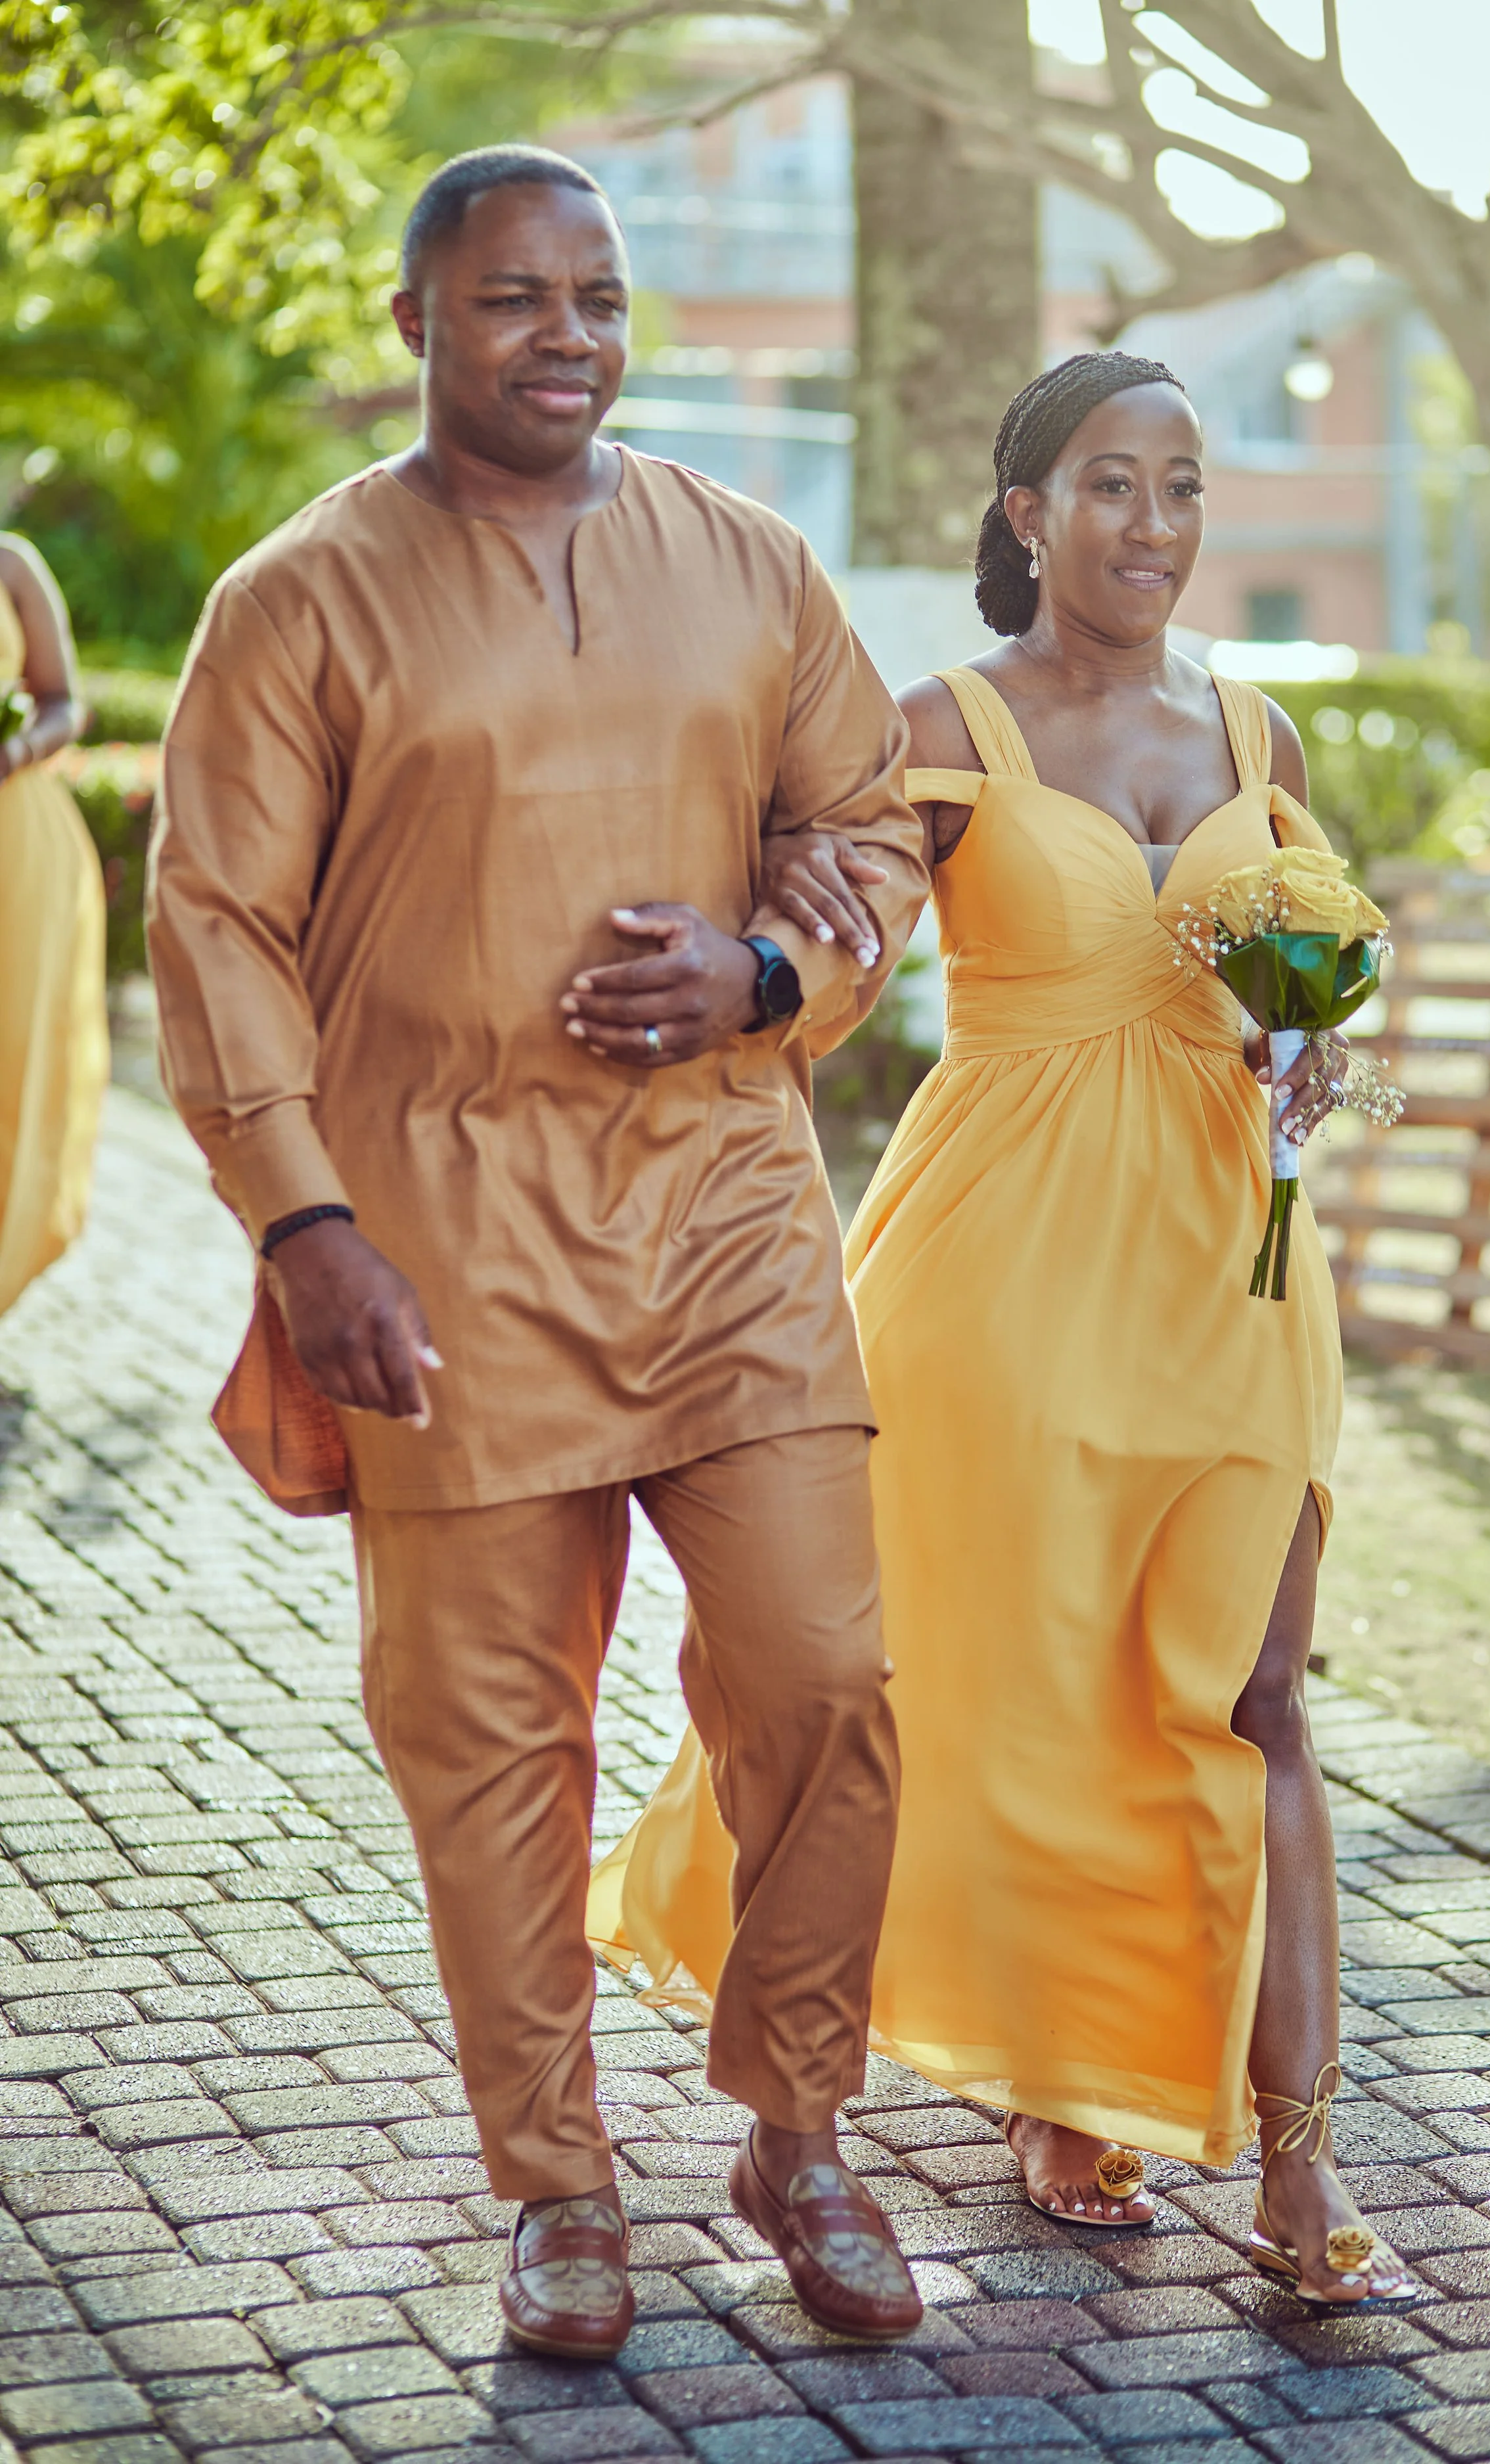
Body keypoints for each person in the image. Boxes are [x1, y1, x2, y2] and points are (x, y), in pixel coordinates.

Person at [146, 144, 931, 2360]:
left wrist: (771, 974)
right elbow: (215, 928)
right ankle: (559, 2185)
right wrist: (305, 1222)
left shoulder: (745, 558)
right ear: (416, 323)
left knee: (827, 1676)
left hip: (727, 1213)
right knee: (491, 1737)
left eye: (595, 294)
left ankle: (797, 2119)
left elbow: (864, 821)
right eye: (511, 298)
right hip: (442, 1233)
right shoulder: (298, 599)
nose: (566, 334)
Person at [589, 352, 1419, 2307]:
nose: (1151, 522)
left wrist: (1302, 1047)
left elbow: (1301, 1011)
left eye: (1181, 486)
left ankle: (1295, 2169)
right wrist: (734, 994)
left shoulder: (1257, 729)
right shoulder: (936, 727)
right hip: (996, 1277)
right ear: (1028, 513)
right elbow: (831, 952)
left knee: (1251, 1694)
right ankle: (1023, 2083)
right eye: (1110, 485)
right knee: (990, 1681)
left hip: (1229, 1275)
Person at [0, 536, 107, 1319]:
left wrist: (15, 752)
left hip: (18, 849)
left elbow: (65, 703)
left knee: (15, 1059)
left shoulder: (12, 564)